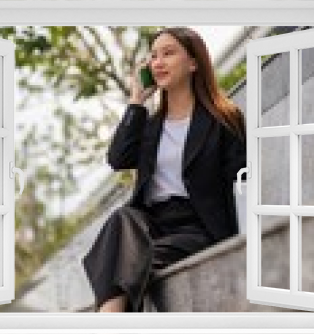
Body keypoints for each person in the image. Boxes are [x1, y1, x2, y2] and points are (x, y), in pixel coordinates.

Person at [82, 27, 247, 312]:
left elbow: (242, 181)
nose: (157, 62)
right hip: (152, 224)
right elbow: (118, 158)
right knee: (122, 220)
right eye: (153, 56)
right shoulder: (149, 126)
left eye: (168, 54)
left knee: (126, 262)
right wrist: (136, 101)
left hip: (198, 226)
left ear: (193, 63)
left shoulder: (224, 120)